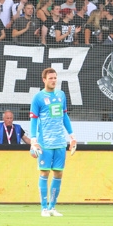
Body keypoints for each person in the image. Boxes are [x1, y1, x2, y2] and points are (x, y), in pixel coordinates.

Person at [30, 67, 77, 217]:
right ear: (44, 80)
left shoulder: (61, 95)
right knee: (44, 173)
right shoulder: (38, 98)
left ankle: (52, 207)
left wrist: (72, 136)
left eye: (55, 78)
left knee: (58, 174)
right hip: (45, 143)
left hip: (60, 143)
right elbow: (33, 120)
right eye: (50, 78)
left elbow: (64, 117)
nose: (53, 80)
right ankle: (44, 208)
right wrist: (33, 140)